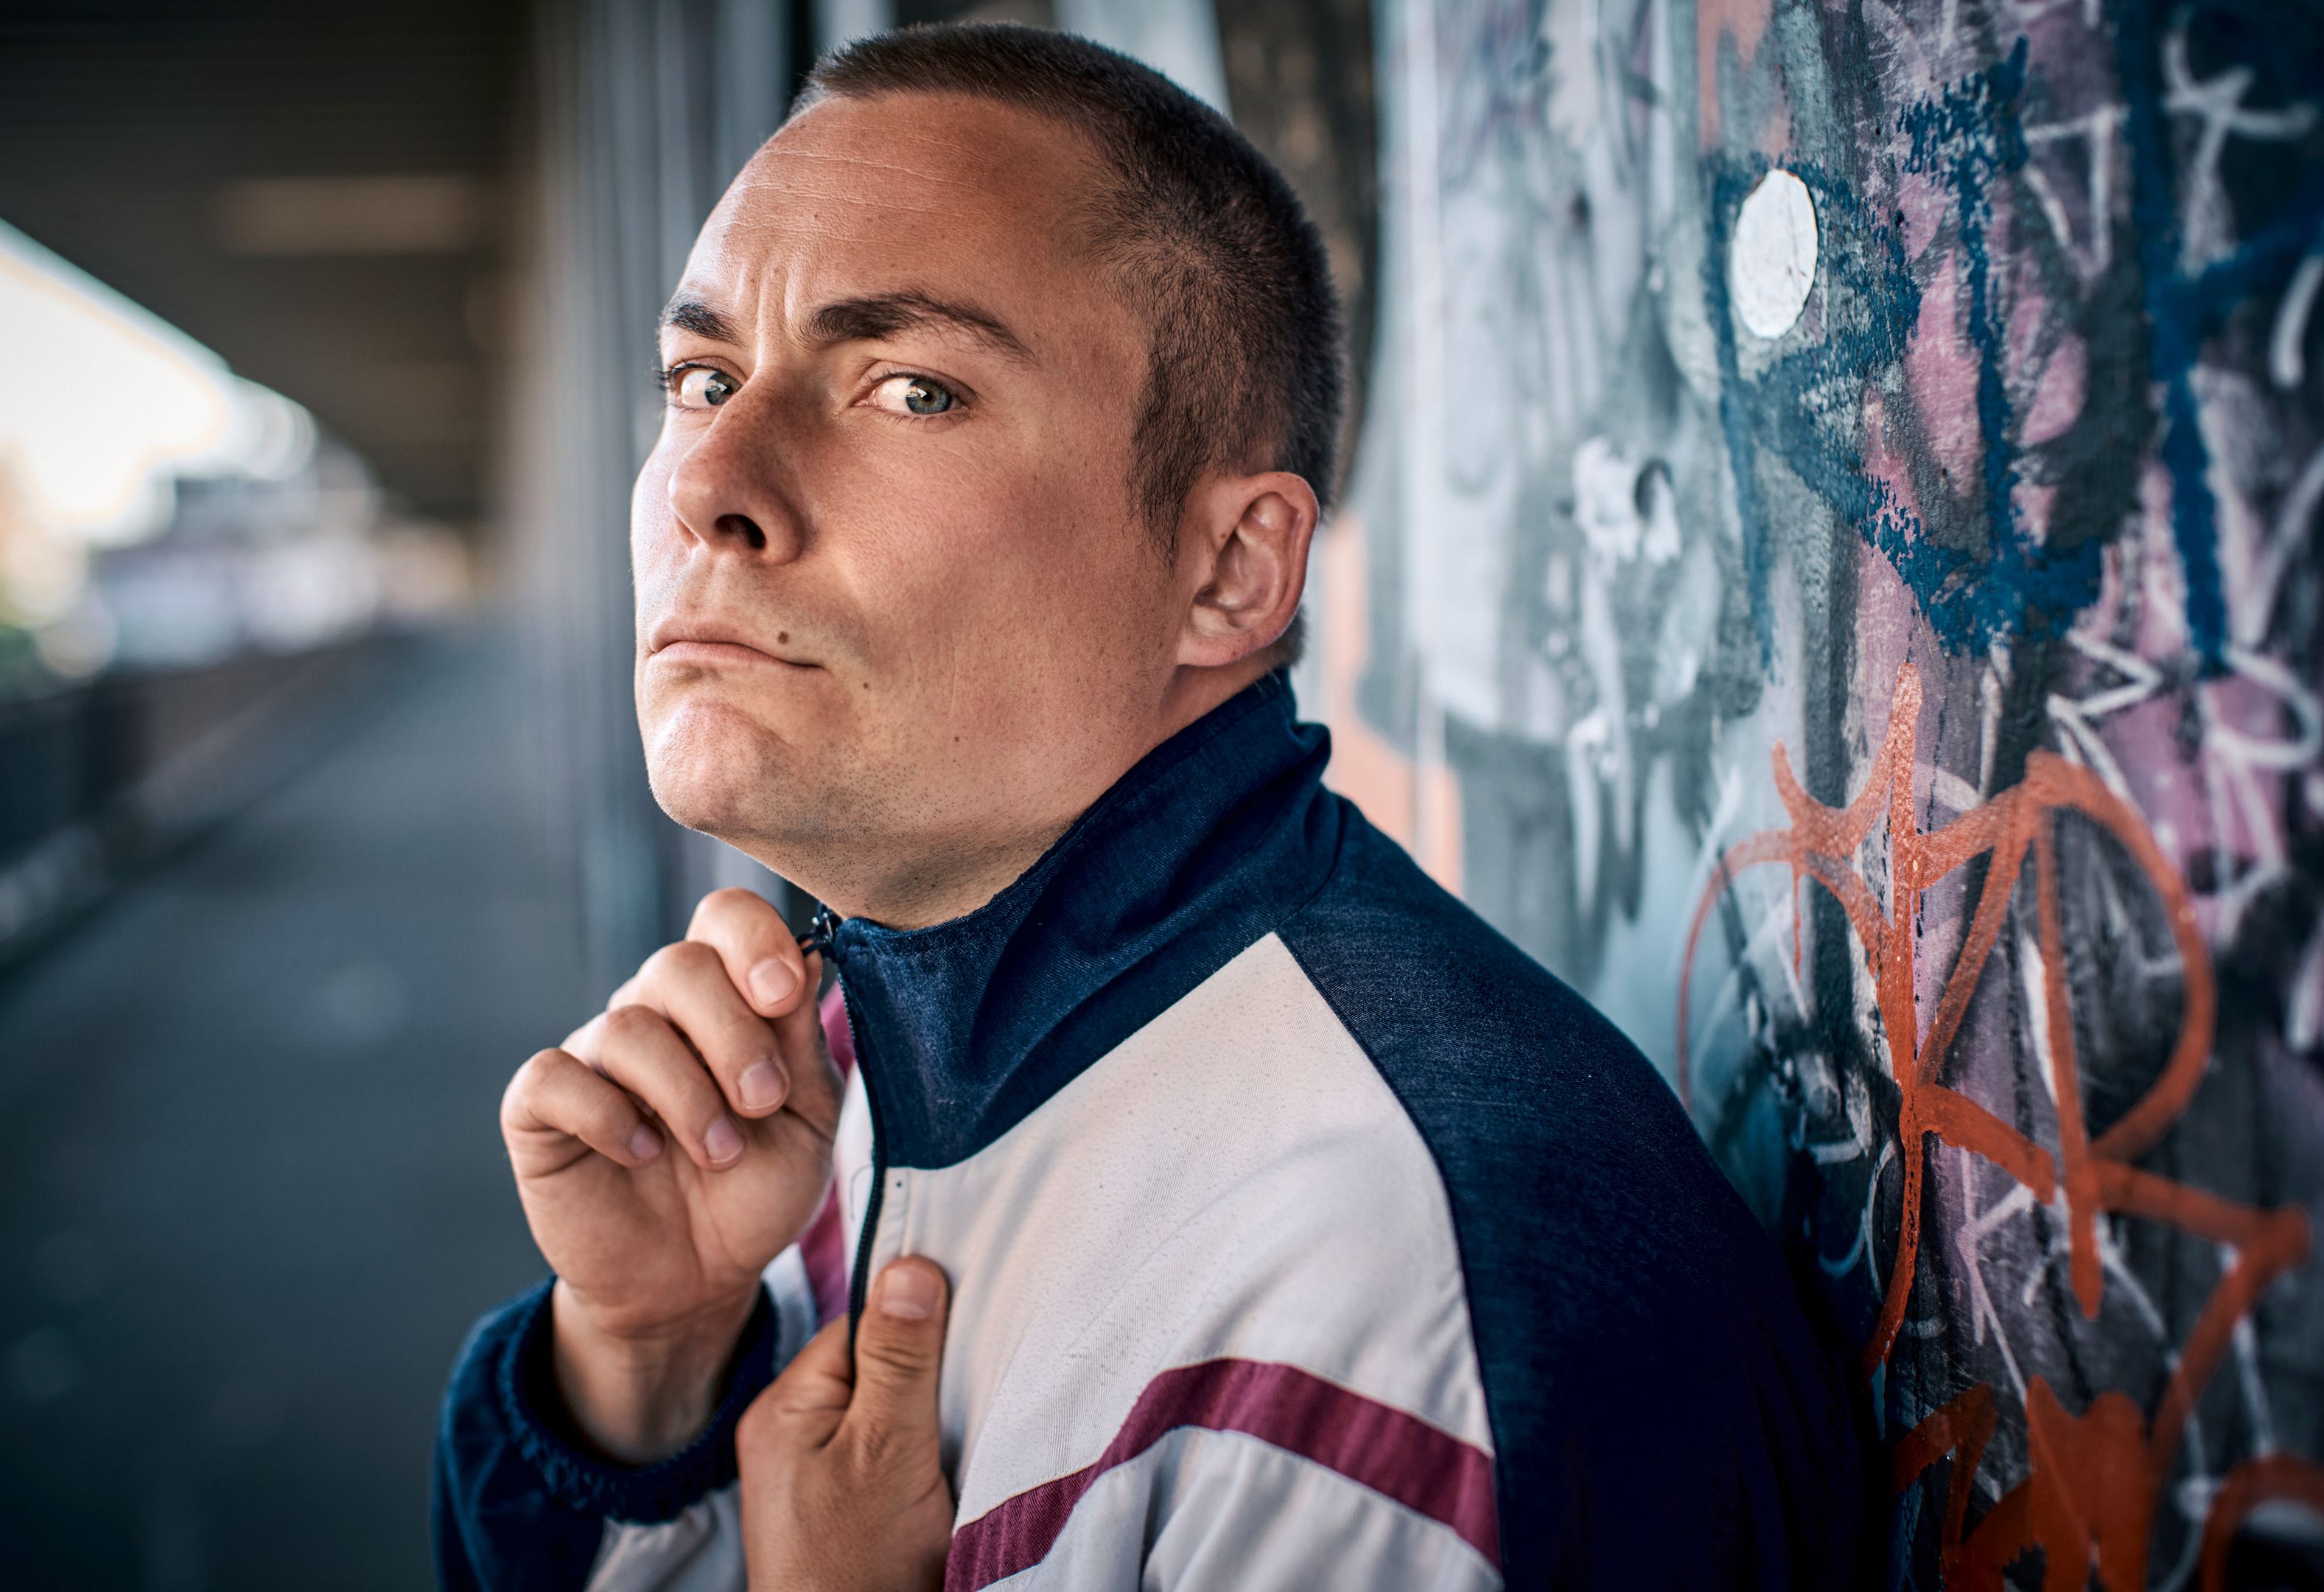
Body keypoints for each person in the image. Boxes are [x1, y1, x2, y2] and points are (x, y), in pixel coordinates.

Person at [435, 22, 1864, 1591]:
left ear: (1229, 570)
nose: (715, 481)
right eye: (704, 377)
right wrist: (644, 1367)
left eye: (911, 390)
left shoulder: (1380, 1308)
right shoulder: (822, 1076)